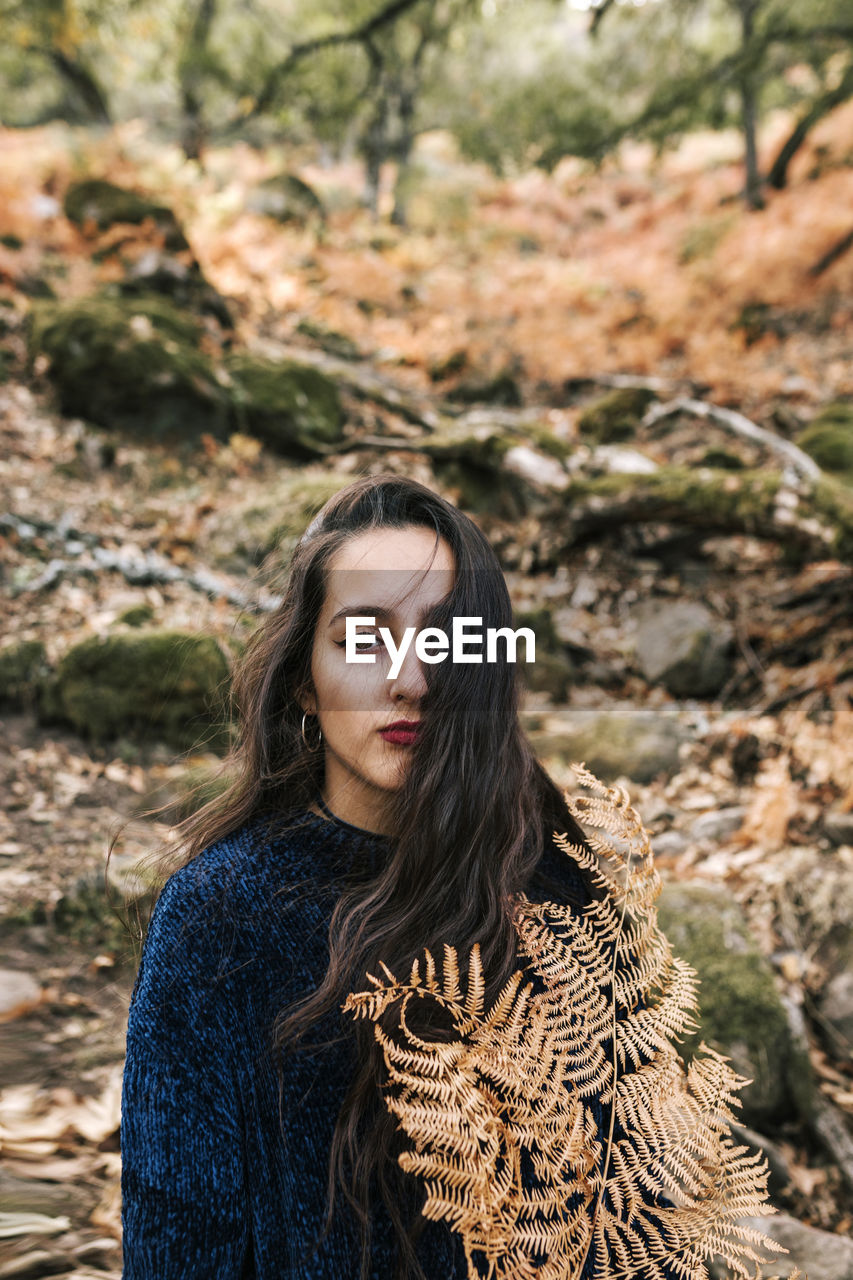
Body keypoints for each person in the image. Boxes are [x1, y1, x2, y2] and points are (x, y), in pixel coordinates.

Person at [119, 472, 776, 1280]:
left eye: (442, 638)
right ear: (304, 680)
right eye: (364, 637)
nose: (411, 679)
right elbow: (177, 1239)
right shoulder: (221, 916)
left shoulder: (558, 889)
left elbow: (642, 1215)